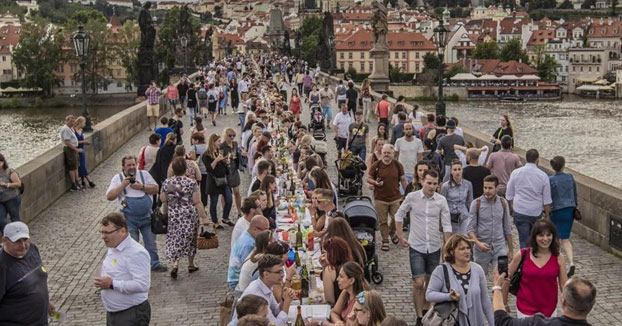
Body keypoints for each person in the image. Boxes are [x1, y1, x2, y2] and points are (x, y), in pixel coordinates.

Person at [395, 169, 452, 325]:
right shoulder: (412, 197)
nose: (432, 186)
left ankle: (426, 310)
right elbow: (399, 215)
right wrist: (400, 236)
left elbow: (447, 225)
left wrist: (447, 246)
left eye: (435, 184)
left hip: (434, 246)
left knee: (430, 283)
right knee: (418, 282)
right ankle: (419, 316)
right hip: (416, 246)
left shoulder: (441, 201)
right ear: (422, 181)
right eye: (429, 183)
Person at [106, 156, 167, 272]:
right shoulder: (118, 178)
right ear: (123, 167)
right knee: (132, 244)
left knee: (151, 243)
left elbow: (156, 189)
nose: (132, 167)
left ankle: (154, 263)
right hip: (129, 219)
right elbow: (109, 196)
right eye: (129, 165)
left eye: (133, 164)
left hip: (147, 217)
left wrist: (142, 187)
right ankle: (134, 267)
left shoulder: (144, 175)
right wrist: (122, 185)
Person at [503, 219, 568, 318]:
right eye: (541, 235)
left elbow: (564, 285)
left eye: (548, 235)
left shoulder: (559, 258)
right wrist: (504, 302)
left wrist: (568, 306)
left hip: (549, 310)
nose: (545, 239)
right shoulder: (522, 254)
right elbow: (507, 279)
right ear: (534, 237)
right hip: (525, 310)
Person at [426, 234, 494, 326]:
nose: (467, 251)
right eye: (462, 249)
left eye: (468, 248)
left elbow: (485, 300)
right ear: (452, 252)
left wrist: (492, 323)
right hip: (452, 321)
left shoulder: (477, 269)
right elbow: (429, 295)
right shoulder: (441, 270)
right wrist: (448, 296)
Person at [96, 213, 151, 325]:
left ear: (122, 231)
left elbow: (142, 285)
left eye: (107, 232)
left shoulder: (136, 253)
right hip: (114, 314)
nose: (103, 236)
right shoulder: (114, 246)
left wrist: (112, 284)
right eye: (102, 232)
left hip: (131, 314)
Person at [160, 157, 210, 279]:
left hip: (174, 216)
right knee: (191, 239)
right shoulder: (191, 183)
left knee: (175, 239)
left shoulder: (167, 182)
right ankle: (191, 264)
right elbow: (197, 201)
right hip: (189, 215)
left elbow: (163, 199)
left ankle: (175, 264)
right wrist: (204, 217)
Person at [0, 222, 54, 325]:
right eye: (17, 241)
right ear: (4, 241)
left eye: (25, 240)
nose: (23, 246)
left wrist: (46, 301)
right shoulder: (2, 266)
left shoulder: (32, 249)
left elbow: (39, 278)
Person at [493, 273, 596, 326]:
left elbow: (502, 321)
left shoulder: (538, 323)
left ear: (563, 301)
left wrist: (497, 287)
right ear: (591, 306)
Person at [467, 175, 514, 275]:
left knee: (502, 276)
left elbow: (507, 228)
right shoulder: (476, 203)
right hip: (481, 249)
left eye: (490, 188)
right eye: (485, 188)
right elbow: (470, 229)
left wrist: (510, 250)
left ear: (497, 188)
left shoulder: (503, 203)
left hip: (499, 247)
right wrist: (478, 243)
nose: (487, 191)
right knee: (479, 277)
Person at [232, 254, 297, 326]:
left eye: (282, 271)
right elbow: (274, 324)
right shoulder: (257, 294)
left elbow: (275, 310)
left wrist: (284, 300)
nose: (282, 275)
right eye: (278, 272)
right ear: (266, 274)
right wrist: (287, 303)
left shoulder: (266, 285)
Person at [506, 149, 552, 249]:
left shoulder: (516, 173)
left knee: (523, 239)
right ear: (537, 159)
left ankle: (524, 260)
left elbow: (509, 194)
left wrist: (511, 207)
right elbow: (547, 200)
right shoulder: (543, 176)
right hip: (535, 212)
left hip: (520, 210)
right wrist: (547, 216)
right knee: (534, 238)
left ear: (526, 159)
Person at [367, 144, 407, 251]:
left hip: (395, 197)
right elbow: (369, 178)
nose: (386, 155)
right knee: (383, 221)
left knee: (397, 217)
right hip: (380, 198)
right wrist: (375, 182)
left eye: (388, 153)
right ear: (381, 153)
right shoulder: (376, 165)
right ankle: (385, 240)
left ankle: (392, 232)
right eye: (384, 153)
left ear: (393, 154)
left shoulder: (398, 165)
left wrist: (408, 192)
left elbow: (403, 179)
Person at [548, 157, 578, 278]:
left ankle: (559, 263)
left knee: (556, 237)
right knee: (565, 238)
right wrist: (575, 206)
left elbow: (549, 196)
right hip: (569, 209)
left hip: (556, 210)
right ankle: (571, 262)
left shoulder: (550, 179)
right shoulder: (570, 177)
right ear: (563, 165)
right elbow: (575, 193)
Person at [227, 215, 270, 290]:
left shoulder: (247, 234)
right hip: (237, 281)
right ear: (254, 229)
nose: (267, 233)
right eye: (265, 230)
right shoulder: (249, 244)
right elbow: (250, 270)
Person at [320, 262, 370, 326]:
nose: (337, 279)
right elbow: (334, 312)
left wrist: (322, 323)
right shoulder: (346, 292)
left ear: (351, 280)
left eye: (341, 276)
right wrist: (339, 322)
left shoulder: (360, 300)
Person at [203, 134, 234, 227]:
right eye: (218, 141)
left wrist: (225, 161)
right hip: (213, 181)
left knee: (229, 199)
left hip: (223, 179)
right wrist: (217, 160)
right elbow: (209, 168)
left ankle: (225, 217)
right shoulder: (207, 154)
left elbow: (222, 164)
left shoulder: (219, 151)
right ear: (213, 142)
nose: (220, 143)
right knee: (214, 202)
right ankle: (215, 222)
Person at [235, 230, 274, 295]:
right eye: (273, 241)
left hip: (243, 289)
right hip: (246, 294)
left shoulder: (256, 252)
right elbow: (264, 282)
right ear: (268, 244)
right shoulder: (262, 259)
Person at [440, 160, 473, 235]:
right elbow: (442, 203)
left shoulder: (468, 184)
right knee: (452, 241)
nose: (457, 172)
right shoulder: (445, 186)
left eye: (459, 169)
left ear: (462, 170)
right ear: (451, 171)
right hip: (451, 218)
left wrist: (472, 218)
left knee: (464, 238)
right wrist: (441, 221)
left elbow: (470, 201)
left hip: (464, 216)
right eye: (455, 170)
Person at [321, 237, 355, 307]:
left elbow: (330, 300)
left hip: (339, 309)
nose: (324, 255)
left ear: (332, 254)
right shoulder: (351, 265)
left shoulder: (330, 270)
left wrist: (324, 269)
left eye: (327, 252)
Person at [221, 128, 243, 218]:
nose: (232, 137)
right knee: (226, 194)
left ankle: (239, 211)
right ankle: (226, 212)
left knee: (237, 192)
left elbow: (238, 154)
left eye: (234, 135)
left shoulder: (235, 144)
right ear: (226, 135)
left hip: (234, 169)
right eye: (230, 135)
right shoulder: (222, 146)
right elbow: (220, 158)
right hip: (226, 171)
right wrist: (228, 157)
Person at [0, 154, 22, 232]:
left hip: (11, 198)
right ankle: (7, 238)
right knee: (1, 221)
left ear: (3, 162)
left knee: (15, 218)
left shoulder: (9, 171)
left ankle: (20, 237)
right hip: (1, 201)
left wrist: (6, 184)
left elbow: (18, 184)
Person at [61, 115, 83, 191]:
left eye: (73, 121)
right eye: (70, 121)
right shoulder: (65, 129)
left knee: (75, 166)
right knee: (72, 167)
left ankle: (77, 182)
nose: (72, 123)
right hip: (69, 149)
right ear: (66, 121)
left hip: (73, 149)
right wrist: (76, 149)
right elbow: (67, 142)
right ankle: (73, 184)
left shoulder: (70, 129)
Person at [73, 116, 95, 189]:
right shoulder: (73, 131)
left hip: (82, 149)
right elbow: (74, 142)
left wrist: (84, 143)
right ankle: (89, 181)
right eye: (84, 123)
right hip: (77, 150)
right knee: (81, 166)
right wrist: (83, 142)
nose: (85, 124)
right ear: (80, 122)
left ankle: (83, 181)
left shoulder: (81, 130)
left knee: (82, 165)